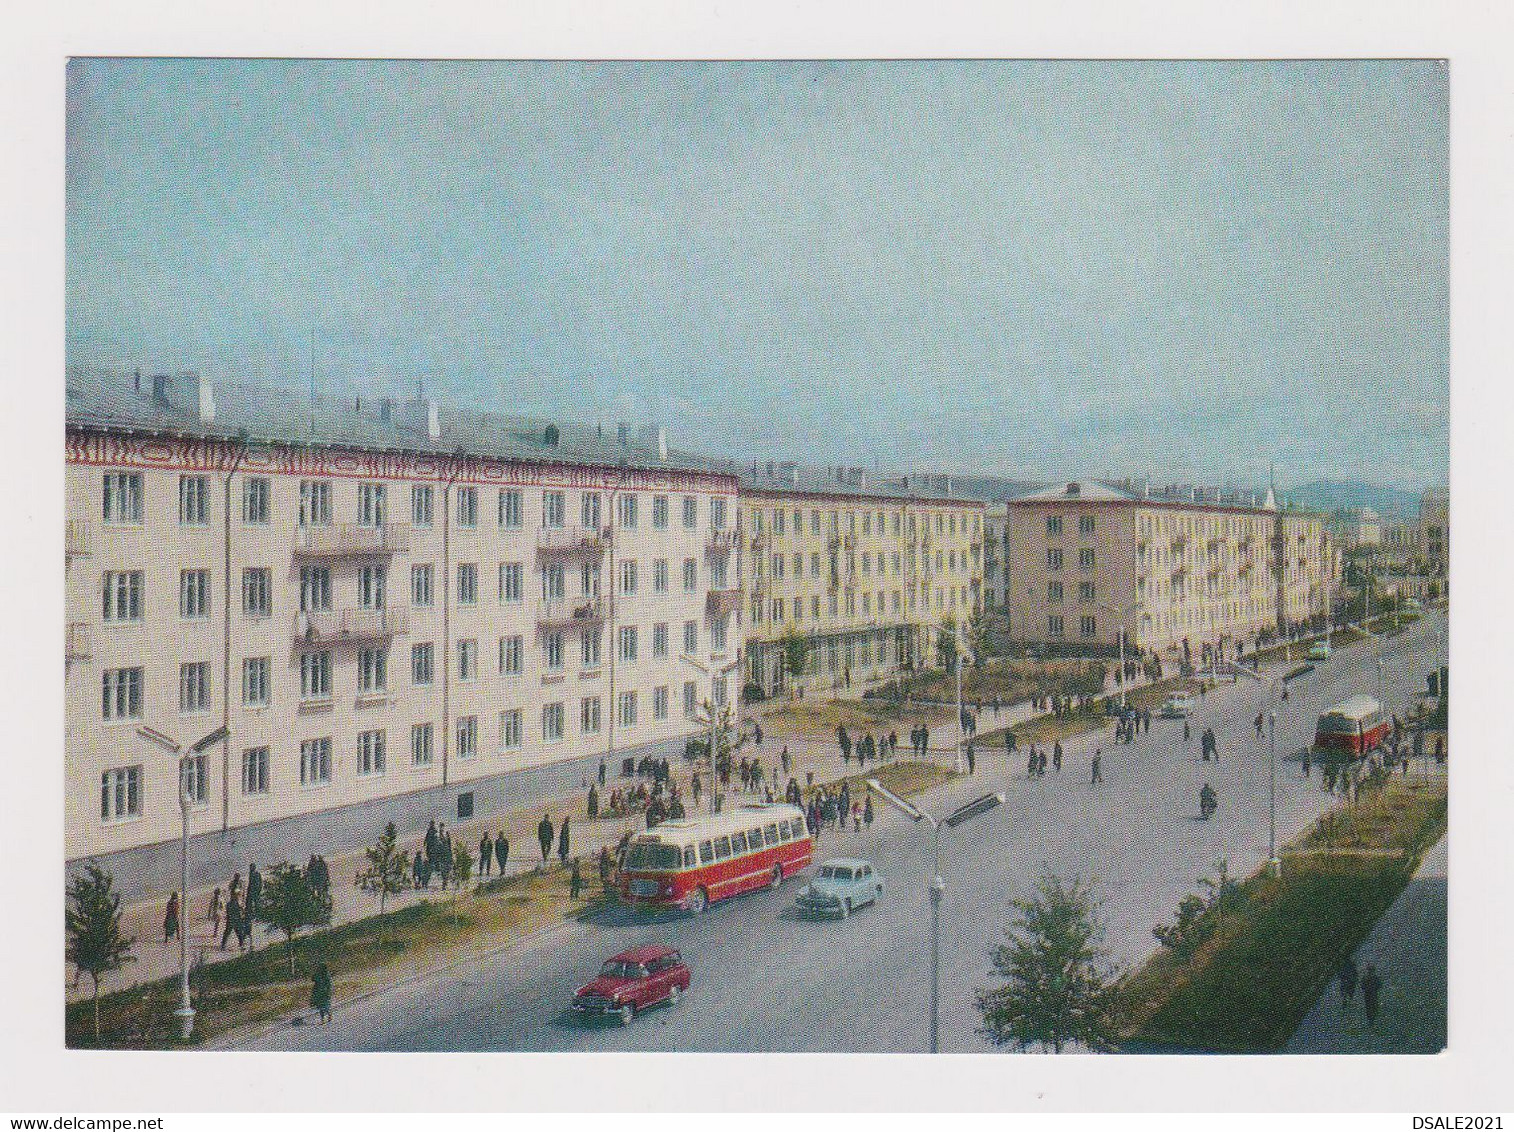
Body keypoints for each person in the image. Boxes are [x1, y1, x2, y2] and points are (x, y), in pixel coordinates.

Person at [311, 961, 333, 1025]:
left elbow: (329, 984)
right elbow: (313, 979)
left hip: (323, 992)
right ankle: (324, 1018)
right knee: (322, 1006)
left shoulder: (326, 975)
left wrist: (328, 992)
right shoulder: (318, 974)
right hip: (319, 992)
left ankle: (328, 1015)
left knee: (324, 1005)